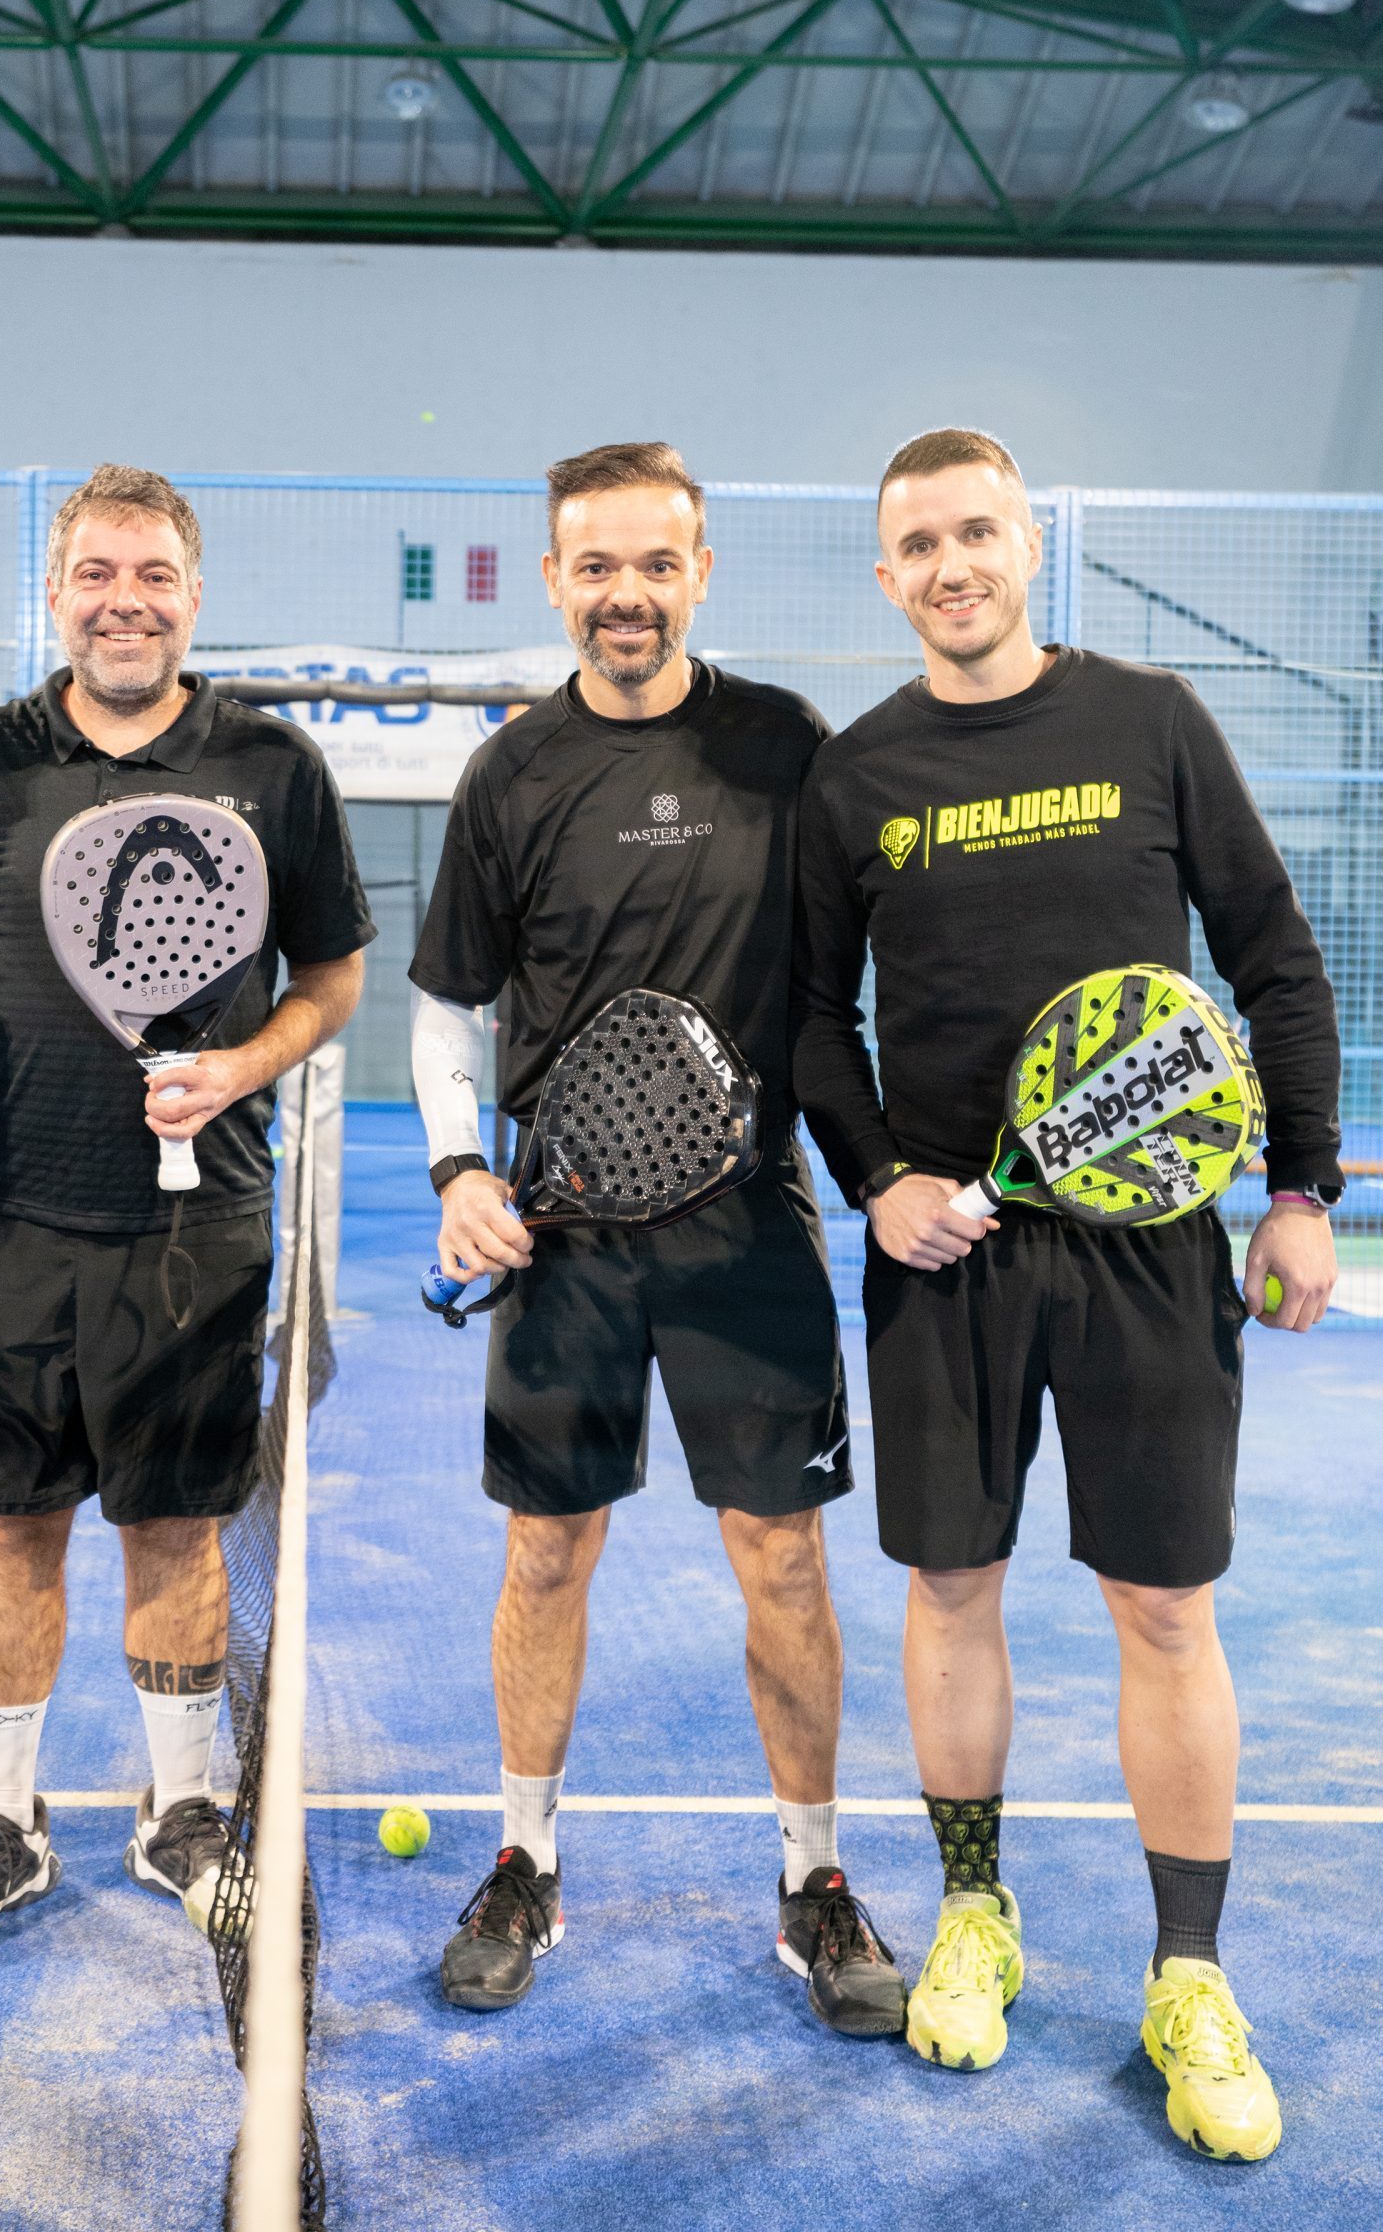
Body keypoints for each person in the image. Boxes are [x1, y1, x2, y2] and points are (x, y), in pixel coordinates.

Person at [794, 427, 1341, 2160]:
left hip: (1150, 1250)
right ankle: (975, 1913)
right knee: (952, 1585)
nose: (952, 566)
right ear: (885, 576)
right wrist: (878, 1181)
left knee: (1166, 1608)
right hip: (946, 1262)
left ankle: (1190, 1976)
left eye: (977, 532)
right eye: (918, 545)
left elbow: (1274, 958)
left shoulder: (1152, 721)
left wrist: (1302, 1189)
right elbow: (810, 1017)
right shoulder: (856, 774)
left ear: (1025, 543)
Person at [409, 440, 902, 2035]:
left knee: (783, 1557)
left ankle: (815, 1879)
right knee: (547, 1550)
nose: (628, 594)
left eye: (657, 563)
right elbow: (445, 1004)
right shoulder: (513, 775)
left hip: (747, 1226)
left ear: (701, 573)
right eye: (598, 566)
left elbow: (857, 965)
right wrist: (457, 1172)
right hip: (564, 1242)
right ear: (557, 580)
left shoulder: (784, 747)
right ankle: (524, 1860)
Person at [0, 464, 371, 1962]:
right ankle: (4, 1824)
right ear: (56, 593)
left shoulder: (274, 766)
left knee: (175, 1522)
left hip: (192, 1230)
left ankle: (183, 1813)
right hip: (4, 1214)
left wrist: (242, 1065)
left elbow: (332, 976)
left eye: (153, 574)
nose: (125, 602)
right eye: (96, 574)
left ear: (194, 594)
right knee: (12, 1522)